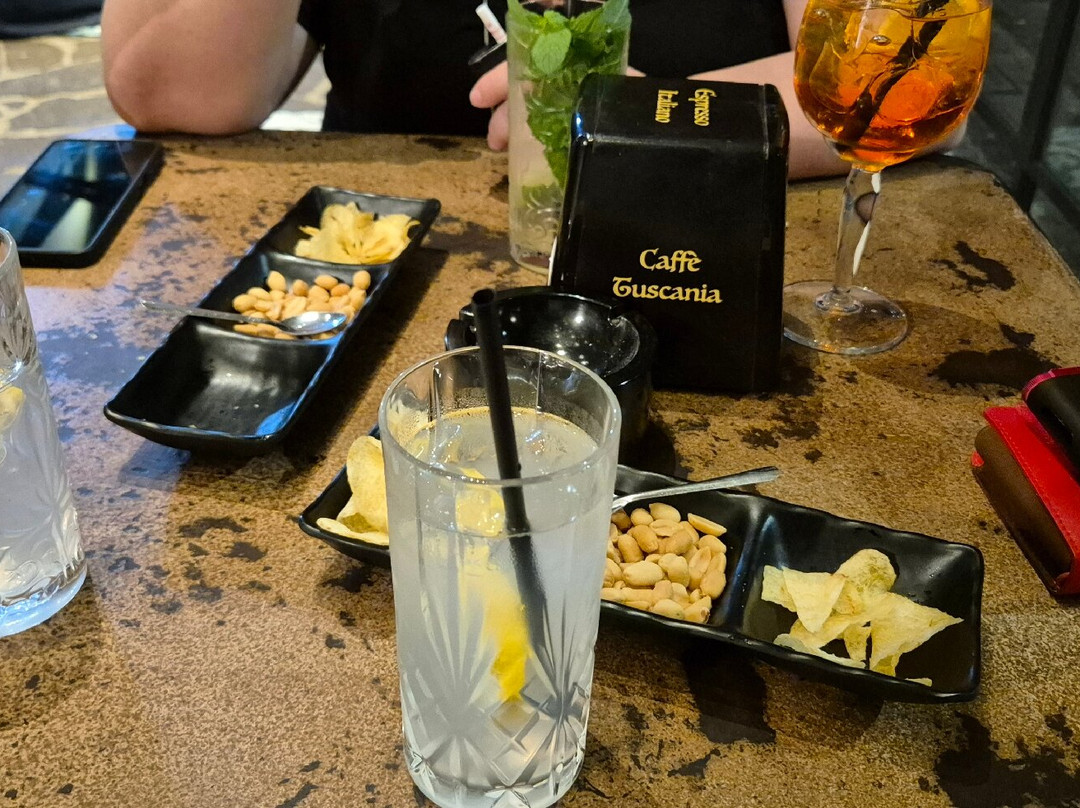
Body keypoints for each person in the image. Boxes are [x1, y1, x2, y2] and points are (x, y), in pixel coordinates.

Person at [101, 0, 844, 178]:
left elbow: (878, 84)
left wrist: (641, 121)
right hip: (375, 273)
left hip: (707, 245)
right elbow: (172, 96)